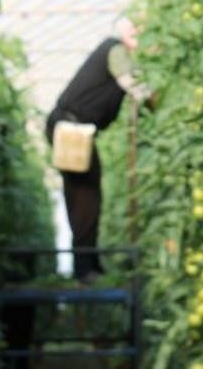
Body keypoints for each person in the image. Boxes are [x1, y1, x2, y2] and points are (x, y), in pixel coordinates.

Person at [45, 17, 149, 282]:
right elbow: (131, 82)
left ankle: (89, 264)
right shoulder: (114, 49)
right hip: (71, 129)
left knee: (86, 193)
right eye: (136, 28)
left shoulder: (114, 50)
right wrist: (155, 100)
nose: (141, 34)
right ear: (125, 31)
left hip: (73, 129)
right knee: (85, 196)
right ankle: (85, 269)